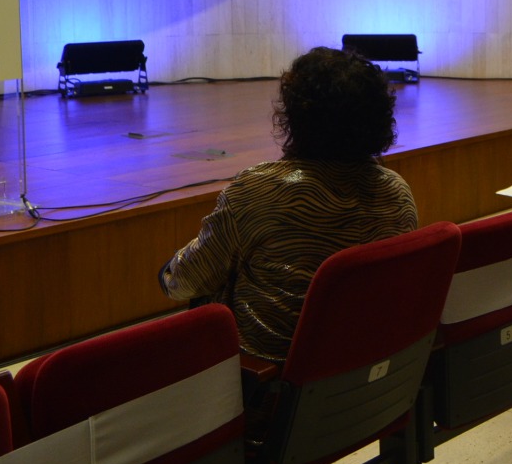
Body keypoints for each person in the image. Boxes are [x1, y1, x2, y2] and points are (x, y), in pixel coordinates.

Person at [159, 47, 419, 361]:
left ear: (296, 116)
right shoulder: (398, 193)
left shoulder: (257, 189)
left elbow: (185, 282)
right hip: (363, 368)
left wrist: (169, 272)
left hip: (268, 378)